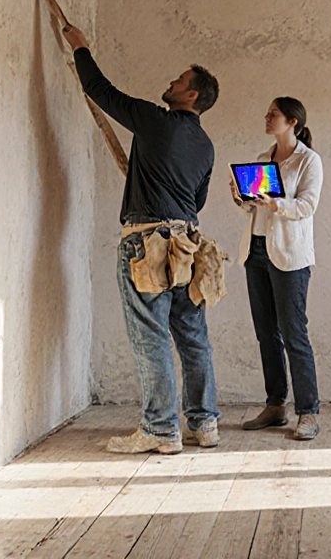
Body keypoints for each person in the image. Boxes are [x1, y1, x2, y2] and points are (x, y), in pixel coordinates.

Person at [64, 23, 222, 455]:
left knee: (151, 335)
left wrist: (81, 47)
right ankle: (204, 423)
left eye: (180, 81)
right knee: (192, 336)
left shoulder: (156, 121)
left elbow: (100, 90)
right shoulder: (205, 146)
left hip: (147, 244)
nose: (172, 82)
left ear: (191, 95)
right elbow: (196, 201)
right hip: (186, 245)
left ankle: (161, 430)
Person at [231, 97, 324, 440]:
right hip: (255, 251)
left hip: (289, 255)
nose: (267, 117)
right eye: (268, 113)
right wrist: (242, 199)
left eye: (274, 114)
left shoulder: (308, 160)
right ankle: (275, 405)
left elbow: (307, 206)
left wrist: (275, 203)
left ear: (292, 121)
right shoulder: (261, 159)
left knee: (294, 333)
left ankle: (308, 412)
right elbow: (256, 209)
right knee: (266, 333)